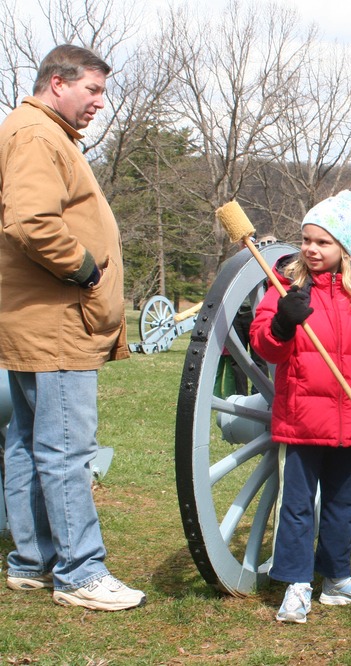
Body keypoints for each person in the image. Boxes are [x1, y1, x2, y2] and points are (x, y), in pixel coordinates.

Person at [0, 45, 145, 611]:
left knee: (26, 444)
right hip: (56, 321)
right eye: (93, 90)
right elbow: (30, 221)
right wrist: (86, 268)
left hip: (37, 320)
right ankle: (80, 572)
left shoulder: (37, 131)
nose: (100, 103)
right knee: (66, 448)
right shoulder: (38, 135)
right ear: (57, 82)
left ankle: (33, 561)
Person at [250, 191, 351, 623]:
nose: (312, 249)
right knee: (297, 506)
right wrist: (283, 322)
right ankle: (296, 583)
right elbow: (264, 345)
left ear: (344, 248)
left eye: (323, 242)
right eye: (306, 240)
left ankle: (338, 578)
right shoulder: (285, 289)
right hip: (302, 419)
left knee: (342, 504)